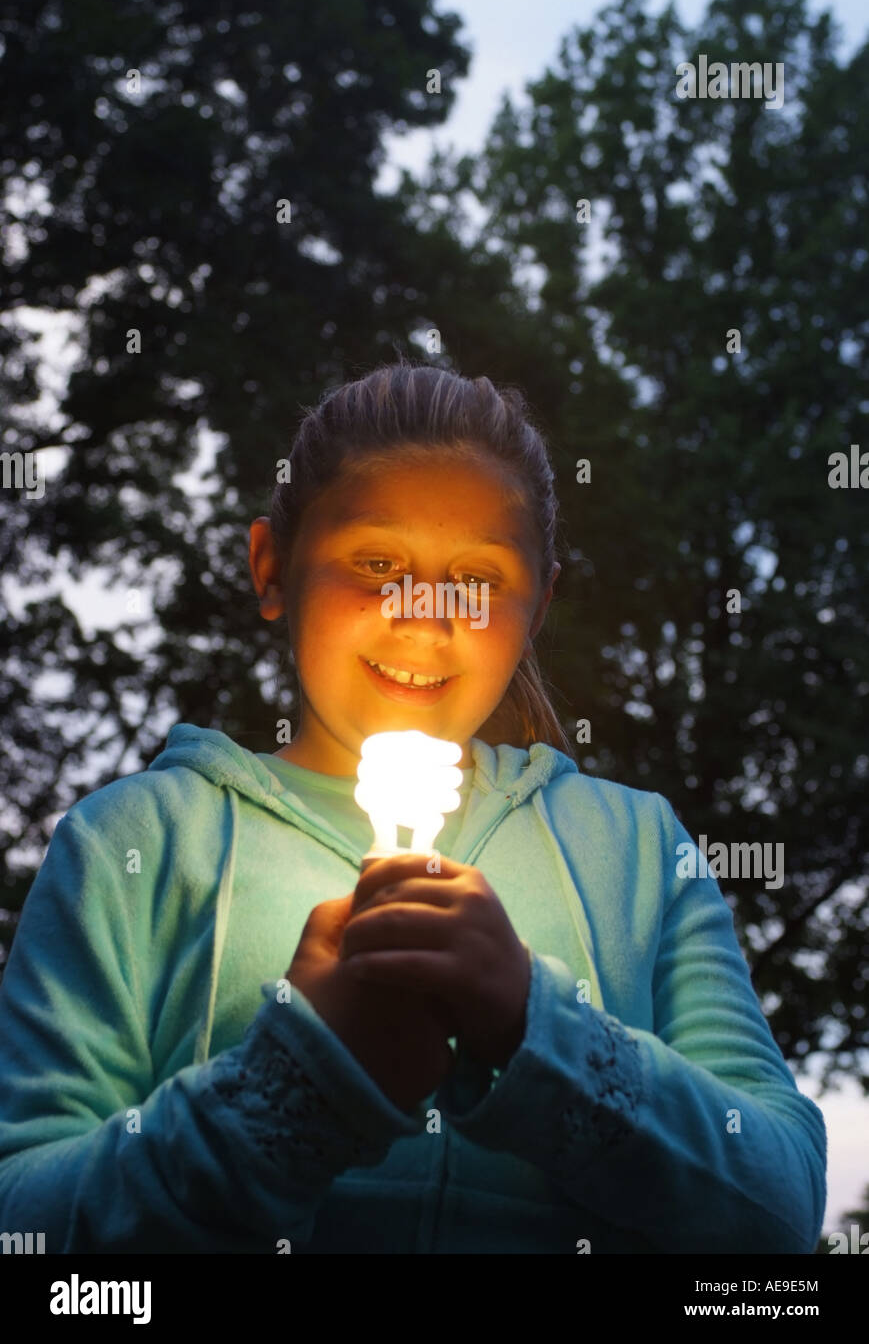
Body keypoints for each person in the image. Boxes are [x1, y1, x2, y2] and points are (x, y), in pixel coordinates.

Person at [0, 360, 826, 1254]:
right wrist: (294, 1088)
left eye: (476, 580)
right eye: (376, 563)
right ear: (272, 567)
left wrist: (531, 1025)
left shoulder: (631, 847)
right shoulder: (138, 841)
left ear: (538, 605)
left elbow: (775, 1208)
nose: (425, 617)